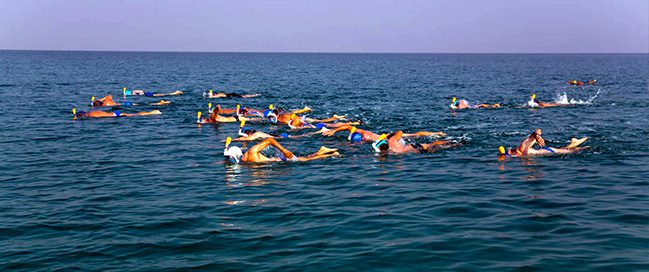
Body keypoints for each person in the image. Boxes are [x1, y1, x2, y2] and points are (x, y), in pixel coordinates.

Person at [223, 137, 340, 163]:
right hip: (277, 161)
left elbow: (269, 140)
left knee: (305, 160)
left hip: (283, 159)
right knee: (305, 158)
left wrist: (284, 151)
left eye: (230, 158)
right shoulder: (242, 161)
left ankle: (330, 154)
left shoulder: (252, 152)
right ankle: (321, 151)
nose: (229, 160)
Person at [498, 128, 589, 157]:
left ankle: (577, 144)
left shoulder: (522, 148)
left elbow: (537, 130)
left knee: (579, 150)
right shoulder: (522, 154)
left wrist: (537, 136)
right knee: (567, 149)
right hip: (548, 150)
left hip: (550, 151)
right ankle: (573, 142)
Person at [322, 124, 445, 142]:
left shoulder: (363, 134)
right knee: (412, 135)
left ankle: (436, 133)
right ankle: (437, 133)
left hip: (385, 138)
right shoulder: (361, 134)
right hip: (384, 136)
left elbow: (348, 126)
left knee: (412, 135)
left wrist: (333, 130)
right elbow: (348, 127)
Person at [371, 131, 463, 154]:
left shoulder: (390, 152)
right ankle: (454, 141)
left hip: (417, 152)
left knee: (434, 147)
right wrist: (391, 134)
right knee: (432, 145)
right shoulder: (392, 141)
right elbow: (400, 132)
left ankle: (455, 142)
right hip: (416, 147)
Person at [72, 108, 161, 119]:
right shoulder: (92, 112)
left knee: (136, 115)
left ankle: (151, 113)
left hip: (115, 115)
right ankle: (150, 112)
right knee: (135, 114)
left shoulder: (91, 116)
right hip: (114, 113)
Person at [91, 95, 170, 107]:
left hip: (125, 106)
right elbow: (109, 95)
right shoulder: (107, 101)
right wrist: (100, 99)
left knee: (146, 105)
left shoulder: (105, 105)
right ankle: (159, 103)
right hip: (126, 103)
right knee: (144, 104)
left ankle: (160, 103)